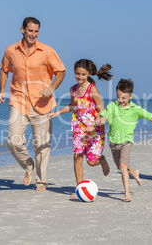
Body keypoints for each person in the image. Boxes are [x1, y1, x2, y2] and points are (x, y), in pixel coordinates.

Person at [0, 17, 66, 191]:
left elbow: (61, 71)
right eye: (30, 31)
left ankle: (41, 181)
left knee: (42, 144)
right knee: (13, 140)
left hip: (42, 103)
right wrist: (1, 89)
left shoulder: (46, 51)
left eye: (36, 32)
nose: (33, 35)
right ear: (22, 29)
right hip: (19, 101)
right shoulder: (11, 50)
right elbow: (4, 70)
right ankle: (28, 166)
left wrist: (51, 87)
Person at [97, 78, 152, 202]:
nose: (120, 100)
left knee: (122, 165)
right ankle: (134, 173)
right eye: (118, 97)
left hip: (126, 142)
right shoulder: (112, 106)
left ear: (131, 96)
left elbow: (151, 117)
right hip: (113, 143)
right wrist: (101, 120)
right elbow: (104, 116)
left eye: (123, 98)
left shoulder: (135, 109)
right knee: (122, 167)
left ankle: (127, 194)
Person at [48, 59, 112, 197]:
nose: (80, 77)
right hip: (78, 129)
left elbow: (101, 109)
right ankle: (79, 189)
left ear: (89, 74)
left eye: (83, 74)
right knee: (77, 158)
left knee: (91, 161)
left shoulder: (92, 89)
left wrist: (94, 124)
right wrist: (57, 112)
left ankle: (102, 160)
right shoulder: (73, 89)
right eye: (77, 73)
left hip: (95, 129)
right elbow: (72, 105)